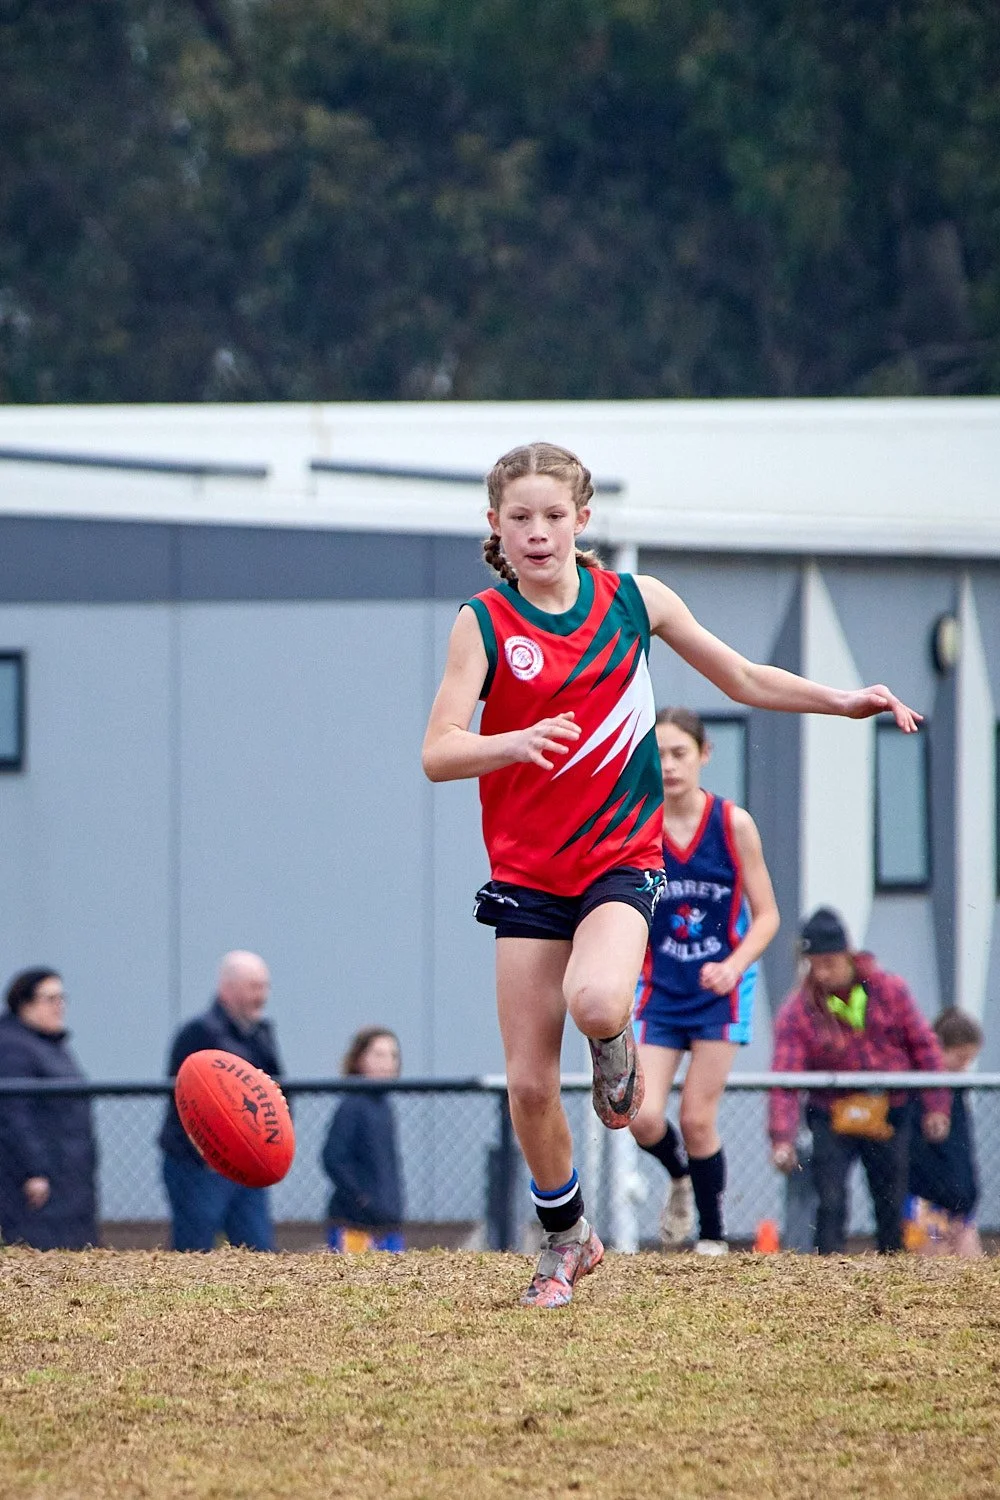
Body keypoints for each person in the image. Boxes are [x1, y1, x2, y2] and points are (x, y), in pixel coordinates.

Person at [421, 440, 921, 1307]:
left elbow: (743, 676)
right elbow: (438, 751)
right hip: (527, 875)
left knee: (597, 1001)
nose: (537, 532)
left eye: (553, 516)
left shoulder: (636, 601)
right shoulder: (484, 623)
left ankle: (613, 1043)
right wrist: (512, 741)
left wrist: (843, 700)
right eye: (519, 517)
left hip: (619, 858)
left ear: (582, 520)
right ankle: (568, 1238)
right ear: (494, 526)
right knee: (530, 1084)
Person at [630, 707, 780, 1256]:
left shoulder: (732, 824)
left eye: (680, 753)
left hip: (720, 992)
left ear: (704, 755)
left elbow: (767, 916)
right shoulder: (637, 824)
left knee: (696, 1117)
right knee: (641, 1115)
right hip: (660, 990)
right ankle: (680, 1179)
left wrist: (734, 965)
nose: (669, 766)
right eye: (659, 755)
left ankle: (713, 1238)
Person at [769, 907, 950, 1255]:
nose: (821, 973)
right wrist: (782, 1137)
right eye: (813, 964)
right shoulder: (800, 1008)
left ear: (847, 954)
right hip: (831, 1113)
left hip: (890, 1109)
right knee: (830, 1201)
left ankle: (893, 1268)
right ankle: (829, 1270)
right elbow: (785, 1077)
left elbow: (924, 1048)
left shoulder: (890, 990)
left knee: (891, 1200)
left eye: (829, 963)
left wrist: (936, 1106)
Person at [159, 950, 283, 1252]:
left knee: (257, 1251)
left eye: (264, 986)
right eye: (254, 987)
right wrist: (210, 1149)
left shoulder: (261, 1035)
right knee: (195, 1251)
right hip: (198, 1168)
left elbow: (278, 1091)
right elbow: (184, 1099)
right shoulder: (199, 1034)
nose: (262, 996)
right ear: (228, 988)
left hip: (248, 1165)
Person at [0, 968, 99, 1250]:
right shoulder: (12, 1048)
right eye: (50, 999)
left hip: (70, 1181)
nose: (59, 1006)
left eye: (62, 998)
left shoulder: (52, 1045)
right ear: (25, 1004)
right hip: (40, 1189)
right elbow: (14, 1117)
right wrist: (34, 1171)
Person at [904, 1008, 984, 1257]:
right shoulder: (916, 1097)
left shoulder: (957, 1094)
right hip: (926, 1204)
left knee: (972, 1266)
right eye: (961, 1058)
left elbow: (961, 1157)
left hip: (959, 1207)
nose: (965, 1067)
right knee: (930, 1268)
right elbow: (919, 1157)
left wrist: (964, 1203)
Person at [322, 1026, 405, 1253]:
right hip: (354, 1225)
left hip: (388, 1224)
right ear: (359, 1059)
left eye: (393, 1056)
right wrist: (362, 1199)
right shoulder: (352, 1105)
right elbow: (333, 1158)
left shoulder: (385, 1107)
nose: (387, 1063)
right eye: (379, 1055)